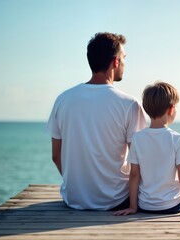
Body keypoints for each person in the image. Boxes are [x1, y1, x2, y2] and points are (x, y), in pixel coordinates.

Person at [47, 32, 147, 210]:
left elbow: (56, 156)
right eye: (124, 58)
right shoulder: (129, 104)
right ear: (115, 62)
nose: (124, 63)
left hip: (73, 199)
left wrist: (81, 188)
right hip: (117, 200)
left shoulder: (63, 99)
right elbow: (140, 163)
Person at [114, 82, 180, 218]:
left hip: (145, 205)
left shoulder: (137, 139)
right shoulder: (178, 139)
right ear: (171, 109)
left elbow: (134, 175)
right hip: (171, 206)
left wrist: (133, 207)